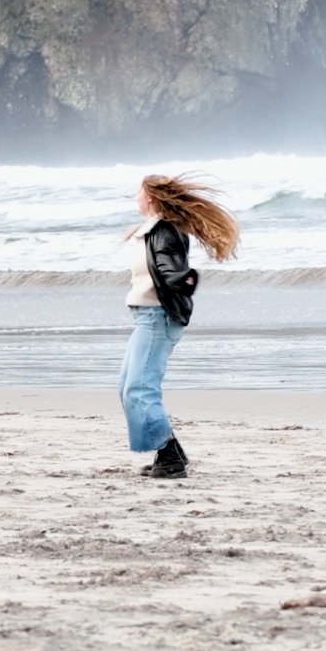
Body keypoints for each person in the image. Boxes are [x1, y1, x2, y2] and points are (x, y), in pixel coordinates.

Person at [120, 174, 240, 479]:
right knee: (128, 387)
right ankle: (171, 452)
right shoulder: (154, 231)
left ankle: (170, 458)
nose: (135, 196)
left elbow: (170, 268)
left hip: (157, 318)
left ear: (151, 197)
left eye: (139, 191)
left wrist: (185, 279)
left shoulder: (164, 233)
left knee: (140, 389)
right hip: (146, 317)